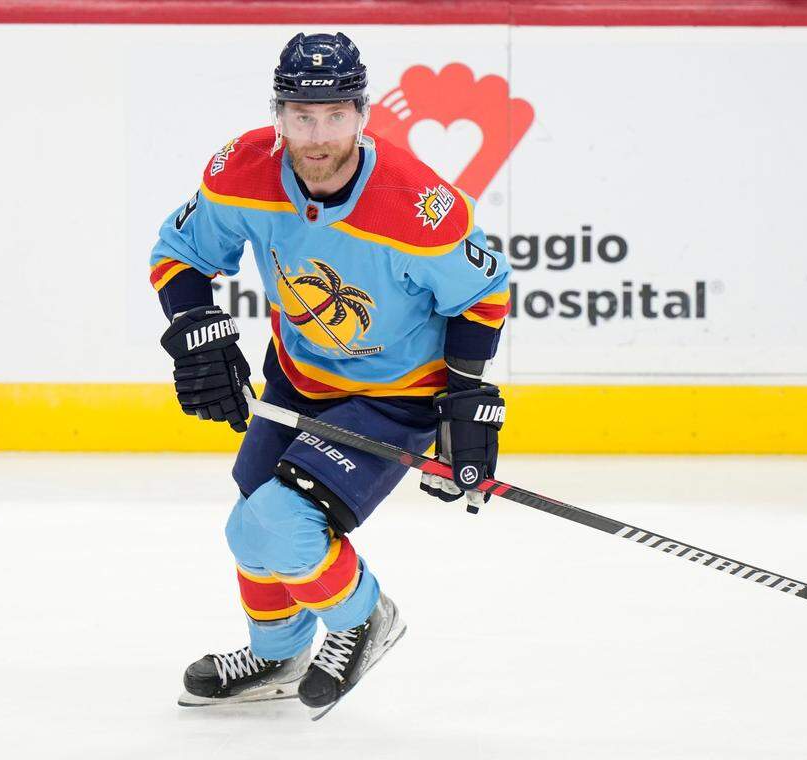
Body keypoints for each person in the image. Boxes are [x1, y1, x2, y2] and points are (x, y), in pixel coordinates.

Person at [148, 32, 511, 719]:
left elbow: (482, 294)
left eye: (336, 115)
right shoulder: (241, 173)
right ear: (279, 114)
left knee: (284, 525)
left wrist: (462, 400)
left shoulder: (417, 205)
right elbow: (178, 252)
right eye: (303, 116)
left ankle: (365, 618)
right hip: (299, 379)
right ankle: (280, 653)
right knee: (250, 526)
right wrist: (194, 327)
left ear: (363, 115)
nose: (319, 136)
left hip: (394, 398)